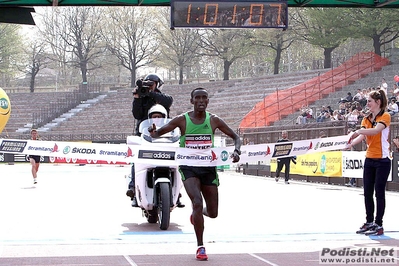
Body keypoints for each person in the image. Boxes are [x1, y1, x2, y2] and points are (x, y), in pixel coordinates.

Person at [148, 88, 241, 261]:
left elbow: (236, 137)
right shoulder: (182, 120)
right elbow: (158, 133)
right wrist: (153, 132)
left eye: (204, 98)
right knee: (196, 202)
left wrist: (237, 151)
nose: (200, 100)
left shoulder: (213, 120)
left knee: (213, 213)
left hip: (208, 168)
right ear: (191, 101)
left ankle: (196, 215)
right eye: (197, 98)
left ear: (207, 101)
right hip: (188, 166)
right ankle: (200, 246)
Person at [347, 89, 391, 236]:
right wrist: (351, 143)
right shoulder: (366, 119)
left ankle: (379, 224)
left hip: (382, 160)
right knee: (367, 192)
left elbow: (375, 131)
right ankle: (369, 221)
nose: (367, 104)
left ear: (378, 102)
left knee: (379, 192)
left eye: (370, 101)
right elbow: (363, 135)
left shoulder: (385, 116)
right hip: (370, 159)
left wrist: (358, 132)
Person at [127, 74, 174, 206]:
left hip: (164, 135)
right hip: (144, 133)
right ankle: (133, 187)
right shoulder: (141, 97)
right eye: (147, 83)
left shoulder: (162, 97)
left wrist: (151, 93)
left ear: (157, 84)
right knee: (137, 160)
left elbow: (168, 102)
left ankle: (177, 192)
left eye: (152, 83)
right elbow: (137, 115)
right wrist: (137, 98)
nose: (149, 86)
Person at [127, 104, 185, 208]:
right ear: (150, 118)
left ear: (165, 118)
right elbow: (139, 139)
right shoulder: (145, 130)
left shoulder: (171, 129)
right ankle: (134, 190)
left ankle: (178, 194)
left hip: (168, 157)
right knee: (134, 164)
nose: (157, 119)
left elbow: (177, 138)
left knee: (182, 167)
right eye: (154, 117)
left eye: (159, 116)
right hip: (150, 157)